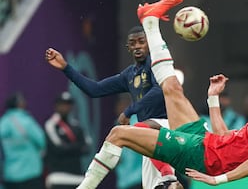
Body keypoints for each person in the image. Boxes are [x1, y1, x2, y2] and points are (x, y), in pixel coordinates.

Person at [70, 0, 248, 188]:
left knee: (119, 134)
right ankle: (150, 22)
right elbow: (223, 137)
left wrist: (216, 180)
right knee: (172, 89)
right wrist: (213, 98)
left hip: (201, 155)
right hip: (207, 142)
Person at [45, 27, 182, 188]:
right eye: (133, 43)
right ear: (128, 48)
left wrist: (129, 111)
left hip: (166, 127)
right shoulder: (129, 75)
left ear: (149, 44)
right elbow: (94, 89)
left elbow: (159, 91)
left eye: (141, 42)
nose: (137, 46)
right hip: (150, 139)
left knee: (135, 129)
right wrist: (66, 68)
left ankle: (169, 178)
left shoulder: (156, 65)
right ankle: (169, 183)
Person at [44, 91, 91, 189]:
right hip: (58, 178)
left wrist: (69, 147)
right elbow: (59, 149)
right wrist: (78, 147)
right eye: (63, 104)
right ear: (56, 106)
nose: (66, 107)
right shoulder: (51, 125)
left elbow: (87, 148)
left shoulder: (77, 126)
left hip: (78, 178)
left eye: (69, 104)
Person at [0, 92, 46, 189]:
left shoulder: (3, 122)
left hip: (10, 175)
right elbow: (42, 141)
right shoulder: (26, 121)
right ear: (19, 104)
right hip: (30, 173)